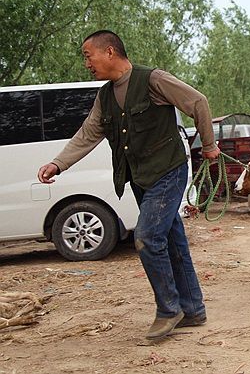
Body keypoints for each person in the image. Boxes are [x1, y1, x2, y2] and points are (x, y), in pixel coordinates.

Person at [37, 30, 220, 339]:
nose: (87, 63)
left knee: (147, 238)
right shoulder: (105, 95)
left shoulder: (153, 80)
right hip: (138, 177)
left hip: (168, 170)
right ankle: (193, 309)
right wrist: (58, 163)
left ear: (109, 52)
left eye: (87, 55)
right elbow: (88, 133)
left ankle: (169, 309)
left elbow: (198, 102)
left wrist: (211, 146)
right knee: (172, 240)